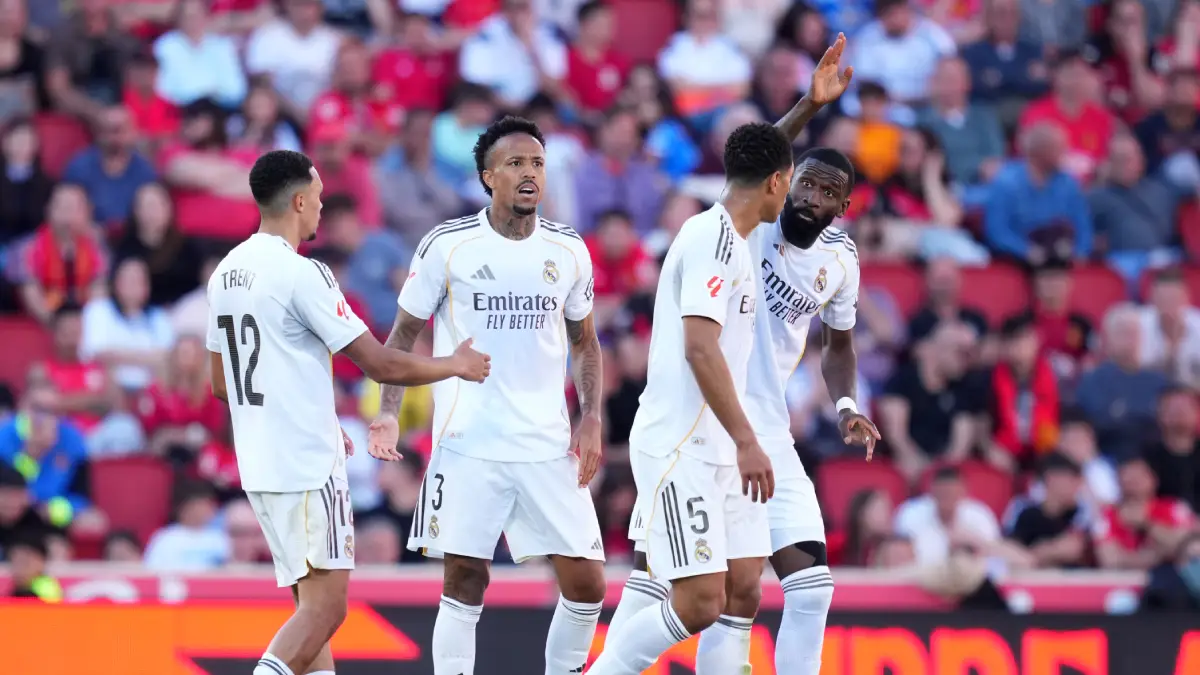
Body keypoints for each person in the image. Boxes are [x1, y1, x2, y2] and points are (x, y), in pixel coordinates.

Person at [589, 33, 862, 675]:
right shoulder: (728, 235)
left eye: (827, 193)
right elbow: (700, 348)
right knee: (684, 592)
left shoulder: (811, 253)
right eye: (799, 183)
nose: (808, 198)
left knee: (747, 591)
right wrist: (809, 106)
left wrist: (845, 405)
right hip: (695, 433)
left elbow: (838, 344)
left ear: (844, 207)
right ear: (781, 183)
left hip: (753, 434)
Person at [208, 149, 490, 675]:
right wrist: (455, 364)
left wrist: (306, 409)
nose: (321, 207)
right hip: (306, 463)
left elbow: (222, 382)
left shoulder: (226, 272)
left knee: (308, 610)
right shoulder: (303, 274)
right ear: (298, 201)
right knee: (328, 609)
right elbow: (380, 363)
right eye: (317, 197)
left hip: (260, 463)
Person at [365, 116, 607, 675]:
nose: (530, 173)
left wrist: (591, 416)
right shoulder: (448, 246)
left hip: (547, 443)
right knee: (465, 578)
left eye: (538, 163)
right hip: (469, 441)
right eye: (515, 163)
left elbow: (585, 343)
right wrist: (388, 413)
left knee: (587, 582)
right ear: (488, 176)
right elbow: (401, 336)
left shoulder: (569, 249)